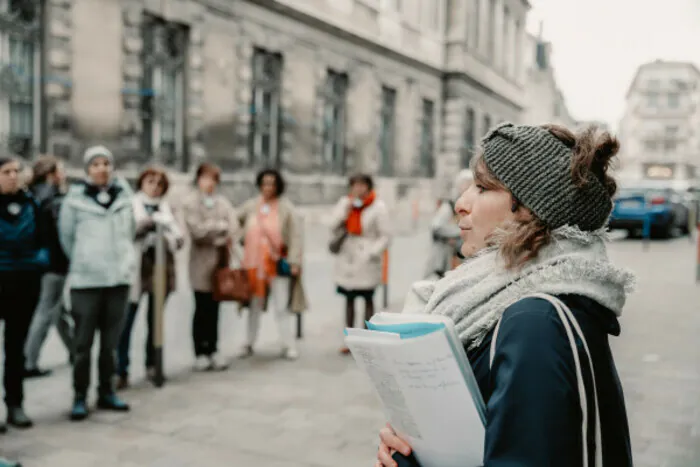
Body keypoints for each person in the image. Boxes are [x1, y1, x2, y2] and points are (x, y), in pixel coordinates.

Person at [376, 123, 634, 466]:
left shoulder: (535, 323)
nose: (461, 204)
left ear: (530, 209)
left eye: (482, 187)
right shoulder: (519, 305)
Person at [59, 145, 134, 421]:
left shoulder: (124, 197)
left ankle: (107, 391)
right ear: (87, 169)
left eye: (106, 163)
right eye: (96, 164)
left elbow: (131, 231)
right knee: (83, 344)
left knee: (110, 344)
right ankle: (80, 395)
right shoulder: (74, 200)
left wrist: (126, 262)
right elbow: (66, 238)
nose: (102, 168)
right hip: (86, 282)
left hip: (118, 280)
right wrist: (85, 261)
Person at [116, 166, 184, 389]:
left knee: (156, 320)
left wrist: (168, 234)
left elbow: (179, 236)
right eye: (150, 182)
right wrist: (144, 227)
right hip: (136, 266)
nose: (154, 188)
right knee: (126, 320)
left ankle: (153, 363)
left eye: (159, 184)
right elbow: (124, 233)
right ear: (142, 183)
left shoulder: (168, 208)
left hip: (160, 267)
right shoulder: (130, 204)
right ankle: (121, 369)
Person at [236, 169, 307, 360]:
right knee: (254, 305)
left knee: (281, 306)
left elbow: (295, 236)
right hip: (254, 264)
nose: (268, 187)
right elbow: (234, 220)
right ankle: (249, 342)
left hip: (277, 263)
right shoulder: (251, 206)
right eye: (265, 183)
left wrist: (294, 261)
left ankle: (288, 344)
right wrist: (241, 237)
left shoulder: (285, 208)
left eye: (272, 183)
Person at [0, 157, 47, 431]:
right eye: (6, 172)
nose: (13, 176)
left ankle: (15, 404)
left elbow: (45, 240)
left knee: (15, 349)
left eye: (16, 171)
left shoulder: (32, 205)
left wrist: (37, 262)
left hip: (24, 284)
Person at [182, 162, 239, 372]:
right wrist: (219, 229)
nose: (209, 183)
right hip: (199, 262)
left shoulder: (222, 202)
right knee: (201, 306)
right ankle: (200, 351)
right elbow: (197, 231)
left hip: (219, 263)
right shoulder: (190, 202)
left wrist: (217, 231)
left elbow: (232, 226)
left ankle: (213, 349)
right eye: (205, 178)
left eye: (213, 179)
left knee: (215, 308)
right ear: (198, 180)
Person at [24, 155, 75, 378]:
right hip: (54, 263)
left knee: (57, 310)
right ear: (51, 174)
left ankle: (75, 350)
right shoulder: (54, 199)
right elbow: (59, 234)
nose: (63, 174)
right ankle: (29, 361)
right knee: (46, 311)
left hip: (36, 262)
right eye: (61, 170)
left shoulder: (31, 194)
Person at [330, 174, 390, 355]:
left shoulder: (378, 206)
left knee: (367, 298)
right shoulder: (345, 203)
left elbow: (386, 235)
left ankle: (367, 340)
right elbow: (332, 226)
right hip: (348, 256)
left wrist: (372, 252)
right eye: (355, 185)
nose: (358, 189)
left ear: (368, 187)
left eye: (362, 185)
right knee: (348, 299)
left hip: (366, 257)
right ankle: (349, 339)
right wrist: (345, 212)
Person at [424, 169, 473, 279]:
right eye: (465, 184)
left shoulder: (474, 206)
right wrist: (459, 232)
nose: (467, 188)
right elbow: (436, 227)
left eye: (470, 184)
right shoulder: (450, 206)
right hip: (445, 262)